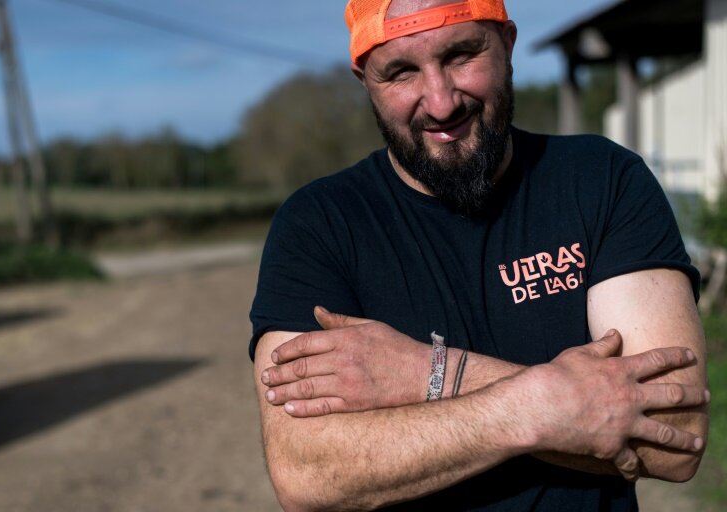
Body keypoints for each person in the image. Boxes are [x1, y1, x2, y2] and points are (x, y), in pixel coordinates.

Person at [249, 0, 710, 510]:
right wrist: (542, 406)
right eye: (401, 72)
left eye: (462, 54)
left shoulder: (602, 180)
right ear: (365, 82)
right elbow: (307, 473)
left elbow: (672, 434)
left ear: (507, 44)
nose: (442, 103)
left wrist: (430, 374)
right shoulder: (317, 224)